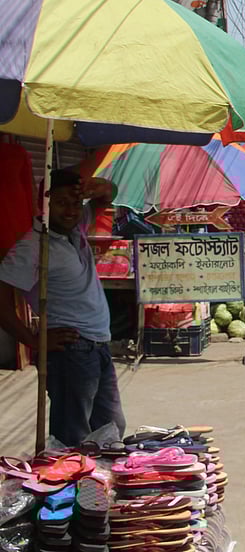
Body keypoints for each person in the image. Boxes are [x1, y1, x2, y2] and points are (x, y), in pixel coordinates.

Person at [0, 170, 126, 446]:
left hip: (99, 346)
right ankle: (72, 488)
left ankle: (97, 487)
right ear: (43, 204)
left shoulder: (76, 228)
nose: (70, 211)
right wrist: (33, 340)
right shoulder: (32, 247)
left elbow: (108, 196)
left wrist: (99, 186)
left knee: (111, 430)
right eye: (60, 203)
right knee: (73, 438)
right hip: (72, 352)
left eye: (74, 203)